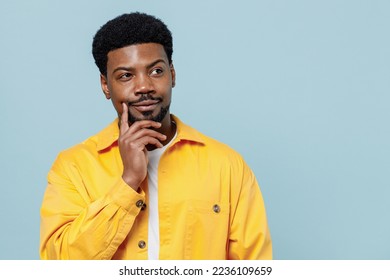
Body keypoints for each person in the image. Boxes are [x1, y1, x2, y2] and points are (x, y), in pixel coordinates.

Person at [40, 12, 272, 260]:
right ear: (106, 85)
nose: (144, 87)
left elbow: (254, 266)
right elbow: (59, 263)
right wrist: (128, 182)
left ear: (172, 74)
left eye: (156, 71)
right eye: (126, 76)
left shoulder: (227, 166)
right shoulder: (73, 168)